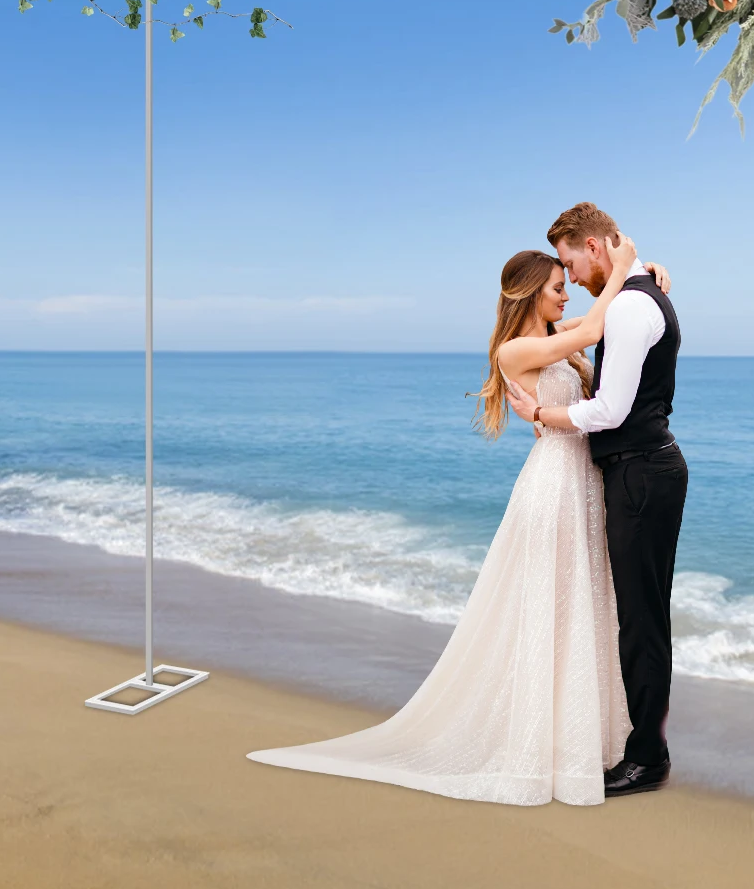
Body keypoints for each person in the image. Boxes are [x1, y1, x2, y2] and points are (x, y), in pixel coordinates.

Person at [247, 236, 670, 806]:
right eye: (556, 287)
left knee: (584, 608)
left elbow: (599, 354)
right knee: (550, 610)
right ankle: (541, 748)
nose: (566, 293)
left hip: (587, 487)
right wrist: (628, 270)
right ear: (529, 296)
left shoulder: (557, 348)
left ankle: (587, 739)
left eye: (567, 284)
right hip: (552, 487)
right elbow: (597, 329)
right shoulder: (515, 352)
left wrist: (646, 276)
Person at [506, 202, 687, 797]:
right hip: (626, 473)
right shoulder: (621, 302)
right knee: (632, 616)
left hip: (639, 472)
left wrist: (539, 414)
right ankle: (635, 742)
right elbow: (576, 332)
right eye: (558, 279)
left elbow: (608, 410)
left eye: (571, 265)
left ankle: (647, 756)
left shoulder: (632, 305)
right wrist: (629, 271)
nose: (572, 281)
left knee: (640, 620)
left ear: (594, 246)